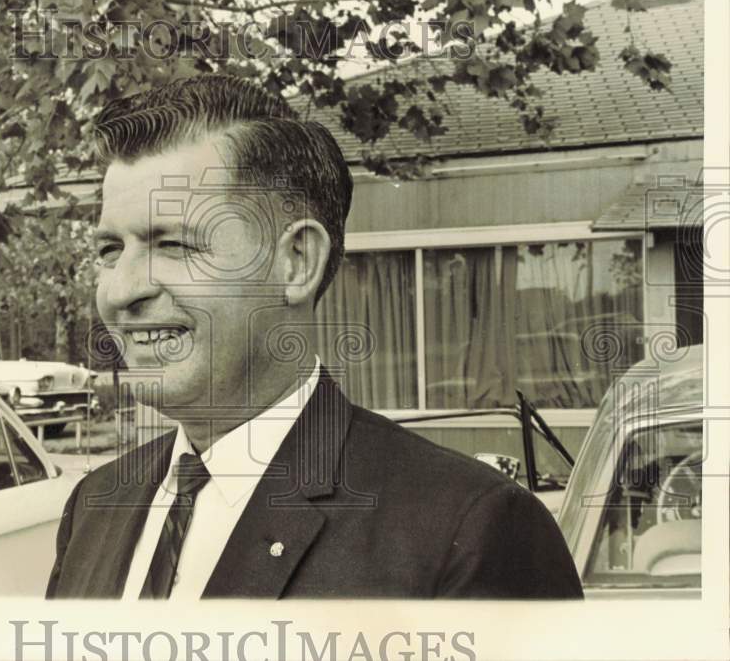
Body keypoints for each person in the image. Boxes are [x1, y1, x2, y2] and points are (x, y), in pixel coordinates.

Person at [46, 74, 583, 599]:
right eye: (109, 251)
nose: (121, 291)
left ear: (296, 262)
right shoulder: (94, 507)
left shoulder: (467, 532)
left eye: (174, 245)